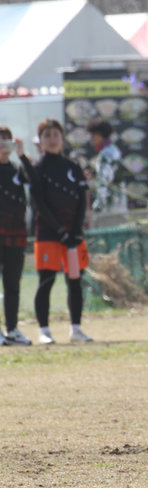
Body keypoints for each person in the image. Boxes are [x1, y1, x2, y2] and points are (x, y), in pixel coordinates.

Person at [28, 119, 92, 344]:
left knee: (75, 280)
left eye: (56, 135)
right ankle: (44, 331)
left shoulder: (73, 167)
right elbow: (38, 204)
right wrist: (59, 230)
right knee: (46, 281)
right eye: (47, 136)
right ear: (40, 141)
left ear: (63, 139)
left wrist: (76, 230)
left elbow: (82, 201)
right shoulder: (38, 169)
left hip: (73, 236)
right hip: (48, 234)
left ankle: (76, 329)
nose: (52, 140)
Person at [0, 126, 33, 345]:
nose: (3, 144)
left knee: (13, 284)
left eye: (7, 140)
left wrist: (22, 156)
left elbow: (36, 182)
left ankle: (12, 329)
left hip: (16, 233)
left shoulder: (18, 169)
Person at [85, 119, 127, 214]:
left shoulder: (105, 154)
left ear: (98, 135)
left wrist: (98, 205)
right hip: (120, 202)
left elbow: (103, 182)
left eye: (93, 137)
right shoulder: (114, 149)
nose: (92, 140)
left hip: (109, 206)